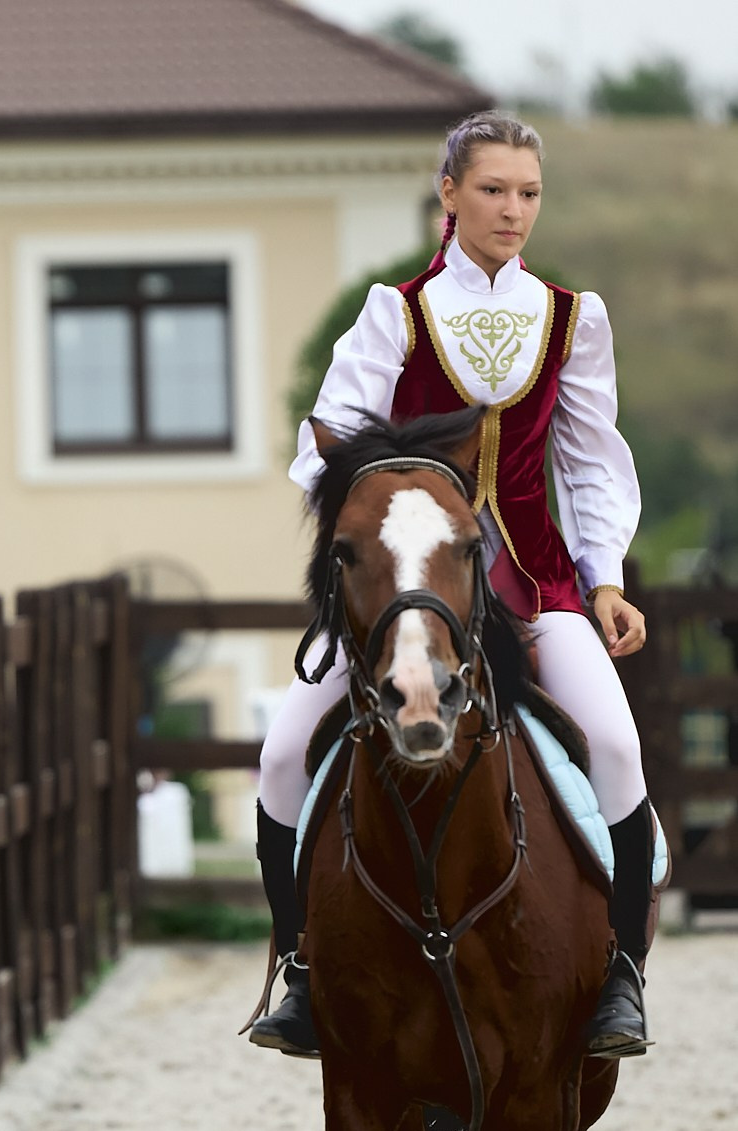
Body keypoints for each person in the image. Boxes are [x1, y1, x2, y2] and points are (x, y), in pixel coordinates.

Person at [249, 110, 655, 1061]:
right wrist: (379, 511)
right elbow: (328, 442)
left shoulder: (570, 315)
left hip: (534, 581)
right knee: (275, 761)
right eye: (492, 191)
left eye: (527, 194)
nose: (512, 211)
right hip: (411, 585)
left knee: (617, 747)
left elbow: (589, 458)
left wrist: (603, 578)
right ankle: (301, 968)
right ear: (448, 194)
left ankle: (620, 979)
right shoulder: (394, 311)